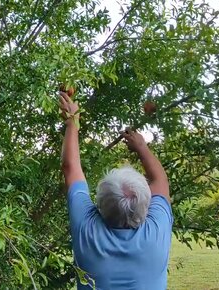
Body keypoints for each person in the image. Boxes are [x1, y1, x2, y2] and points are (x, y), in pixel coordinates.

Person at [59, 91, 173, 290]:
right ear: (146, 205)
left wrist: (72, 121)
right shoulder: (156, 232)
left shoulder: (88, 230)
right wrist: (142, 147)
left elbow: (71, 167)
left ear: (99, 205)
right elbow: (160, 180)